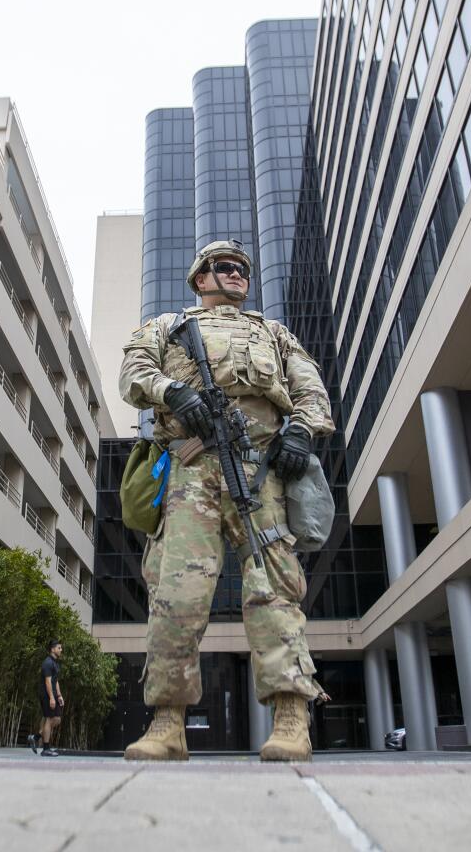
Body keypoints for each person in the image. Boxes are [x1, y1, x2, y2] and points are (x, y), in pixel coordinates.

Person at [120, 239, 334, 762]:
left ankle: (290, 716)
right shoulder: (166, 327)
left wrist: (300, 432)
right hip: (190, 473)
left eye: (241, 268)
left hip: (260, 473)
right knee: (177, 595)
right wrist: (173, 392)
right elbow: (132, 373)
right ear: (200, 277)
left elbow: (312, 394)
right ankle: (168, 722)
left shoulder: (273, 333)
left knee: (275, 590)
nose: (235, 274)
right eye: (223, 266)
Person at [30, 639, 65, 757]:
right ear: (52, 649)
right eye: (59, 648)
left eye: (61, 648)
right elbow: (48, 682)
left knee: (57, 719)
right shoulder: (47, 663)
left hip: (53, 694)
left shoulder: (55, 663)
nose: (61, 650)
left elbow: (55, 681)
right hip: (46, 694)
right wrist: (51, 698)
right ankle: (45, 749)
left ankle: (36, 737)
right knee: (50, 719)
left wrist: (59, 695)